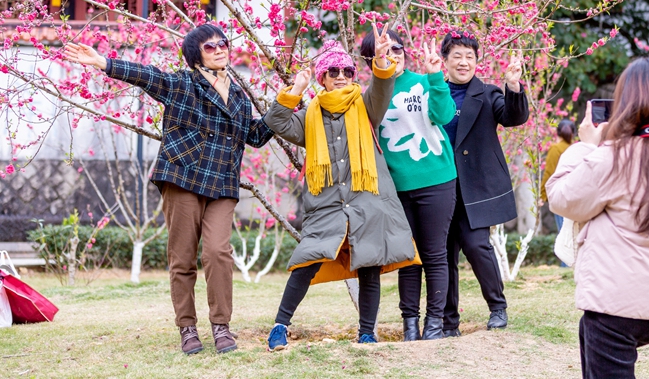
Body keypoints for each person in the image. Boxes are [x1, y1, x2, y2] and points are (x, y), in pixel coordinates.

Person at [62, 24, 274, 355]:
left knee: (218, 252)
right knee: (183, 257)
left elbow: (257, 137)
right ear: (196, 56)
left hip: (222, 183)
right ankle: (187, 328)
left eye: (223, 43)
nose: (220, 49)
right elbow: (145, 75)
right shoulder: (180, 83)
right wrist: (104, 62)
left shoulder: (239, 98)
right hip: (182, 178)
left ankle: (221, 326)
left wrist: (289, 101)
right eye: (210, 47)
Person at [546, 56, 649, 379]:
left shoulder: (614, 156)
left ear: (625, 102)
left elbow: (561, 197)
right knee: (588, 331)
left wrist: (585, 146)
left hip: (616, 305)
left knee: (596, 331)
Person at [263, 32, 418, 350]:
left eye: (347, 71)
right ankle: (280, 326)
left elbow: (382, 83)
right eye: (333, 72)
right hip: (327, 206)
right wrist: (295, 91)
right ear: (322, 77)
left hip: (367, 201)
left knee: (370, 264)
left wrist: (381, 59)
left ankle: (367, 331)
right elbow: (276, 121)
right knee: (306, 262)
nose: (341, 77)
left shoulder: (366, 106)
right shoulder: (309, 116)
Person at [359, 29, 458, 341]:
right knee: (409, 257)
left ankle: (434, 325)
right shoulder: (371, 95)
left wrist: (437, 77)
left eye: (398, 47)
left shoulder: (423, 81)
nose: (395, 52)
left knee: (434, 254)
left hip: (437, 180)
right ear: (371, 58)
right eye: (386, 49)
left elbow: (443, 115)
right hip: (396, 187)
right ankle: (410, 326)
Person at [440, 31, 529, 336]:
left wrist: (513, 86)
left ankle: (497, 307)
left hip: (474, 188)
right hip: (439, 186)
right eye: (457, 56)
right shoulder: (434, 93)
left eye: (470, 57)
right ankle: (448, 322)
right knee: (443, 255)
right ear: (445, 61)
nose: (464, 63)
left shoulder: (488, 93)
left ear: (477, 61)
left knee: (478, 246)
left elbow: (514, 117)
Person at [540, 120, 577, 232]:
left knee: (563, 234)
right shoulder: (576, 148)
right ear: (573, 133)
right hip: (575, 197)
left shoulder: (555, 149)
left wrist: (542, 196)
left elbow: (549, 173)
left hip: (560, 196)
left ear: (557, 133)